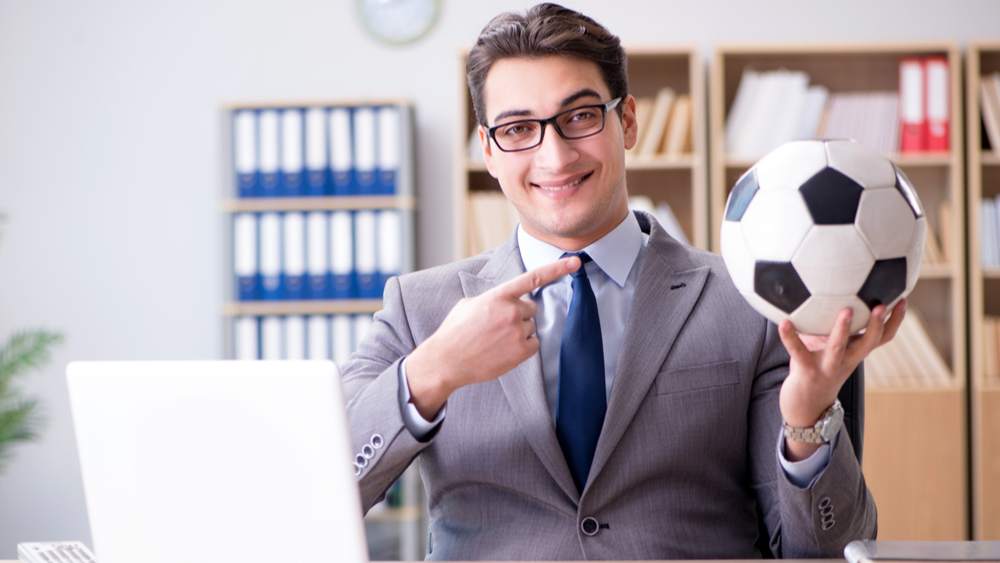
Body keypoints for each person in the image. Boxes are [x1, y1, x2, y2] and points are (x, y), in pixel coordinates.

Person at [343, 3, 901, 559]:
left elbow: (823, 552)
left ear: (627, 121)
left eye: (581, 116)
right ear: (488, 150)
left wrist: (806, 423)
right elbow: (326, 482)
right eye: (517, 129)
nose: (555, 155)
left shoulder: (748, 302)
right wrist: (430, 373)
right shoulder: (420, 308)